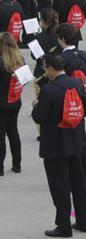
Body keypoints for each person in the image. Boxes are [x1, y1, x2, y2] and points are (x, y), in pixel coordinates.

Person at [31, 53, 86, 237]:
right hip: (75, 142)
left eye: (44, 68)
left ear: (50, 68)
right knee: (78, 185)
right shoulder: (76, 83)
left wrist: (35, 105)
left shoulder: (49, 90)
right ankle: (83, 221)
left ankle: (63, 226)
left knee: (60, 188)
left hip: (55, 146)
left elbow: (39, 117)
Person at [0, 32, 24, 174]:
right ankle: (17, 164)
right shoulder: (20, 60)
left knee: (1, 134)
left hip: (1, 103)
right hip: (15, 102)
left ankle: (0, 168)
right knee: (13, 132)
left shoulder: (1, 63)